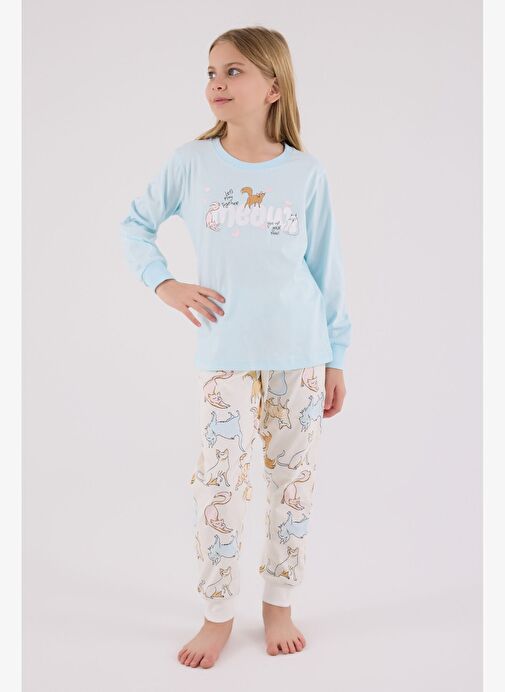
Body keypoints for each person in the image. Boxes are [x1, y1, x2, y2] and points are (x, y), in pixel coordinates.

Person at [120, 25, 351, 668]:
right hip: (225, 354)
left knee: (292, 484)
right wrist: (165, 284)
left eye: (234, 71)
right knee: (219, 487)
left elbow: (326, 269)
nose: (217, 83)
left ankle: (279, 604)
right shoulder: (191, 163)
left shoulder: (306, 173)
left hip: (300, 355)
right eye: (211, 72)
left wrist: (336, 356)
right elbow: (135, 224)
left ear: (273, 86)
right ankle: (217, 613)